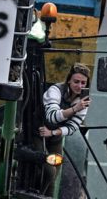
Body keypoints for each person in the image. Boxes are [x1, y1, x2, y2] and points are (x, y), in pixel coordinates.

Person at [39, 63, 92, 196]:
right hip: (38, 133)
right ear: (69, 80)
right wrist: (74, 109)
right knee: (49, 171)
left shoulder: (83, 101)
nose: (79, 86)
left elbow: (72, 127)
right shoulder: (55, 90)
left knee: (55, 171)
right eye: (76, 81)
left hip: (54, 136)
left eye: (83, 83)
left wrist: (53, 133)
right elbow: (52, 117)